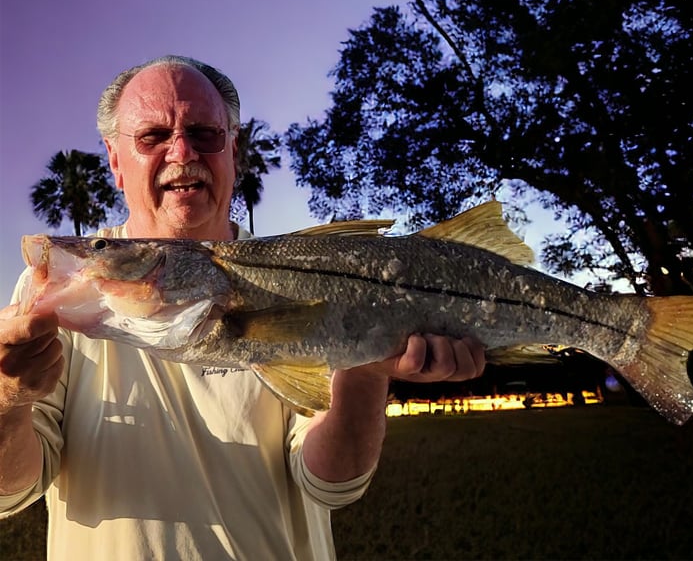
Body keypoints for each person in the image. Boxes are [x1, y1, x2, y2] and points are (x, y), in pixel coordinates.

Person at [0, 55, 485, 560]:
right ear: (116, 162)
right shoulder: (59, 294)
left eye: (205, 133)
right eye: (152, 136)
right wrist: (6, 401)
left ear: (233, 151)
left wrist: (364, 370)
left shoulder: (298, 276)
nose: (181, 151)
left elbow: (330, 485)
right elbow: (9, 491)